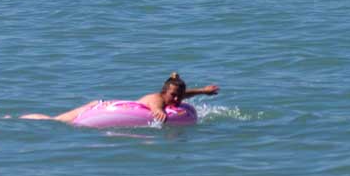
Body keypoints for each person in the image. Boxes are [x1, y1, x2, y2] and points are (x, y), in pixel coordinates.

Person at [21, 72, 219, 124]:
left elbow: (185, 94)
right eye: (173, 95)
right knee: (56, 121)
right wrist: (158, 112)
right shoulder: (156, 98)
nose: (177, 99)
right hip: (96, 109)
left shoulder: (174, 99)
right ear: (164, 92)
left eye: (179, 96)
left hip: (104, 108)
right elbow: (155, 104)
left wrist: (203, 91)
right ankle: (22, 119)